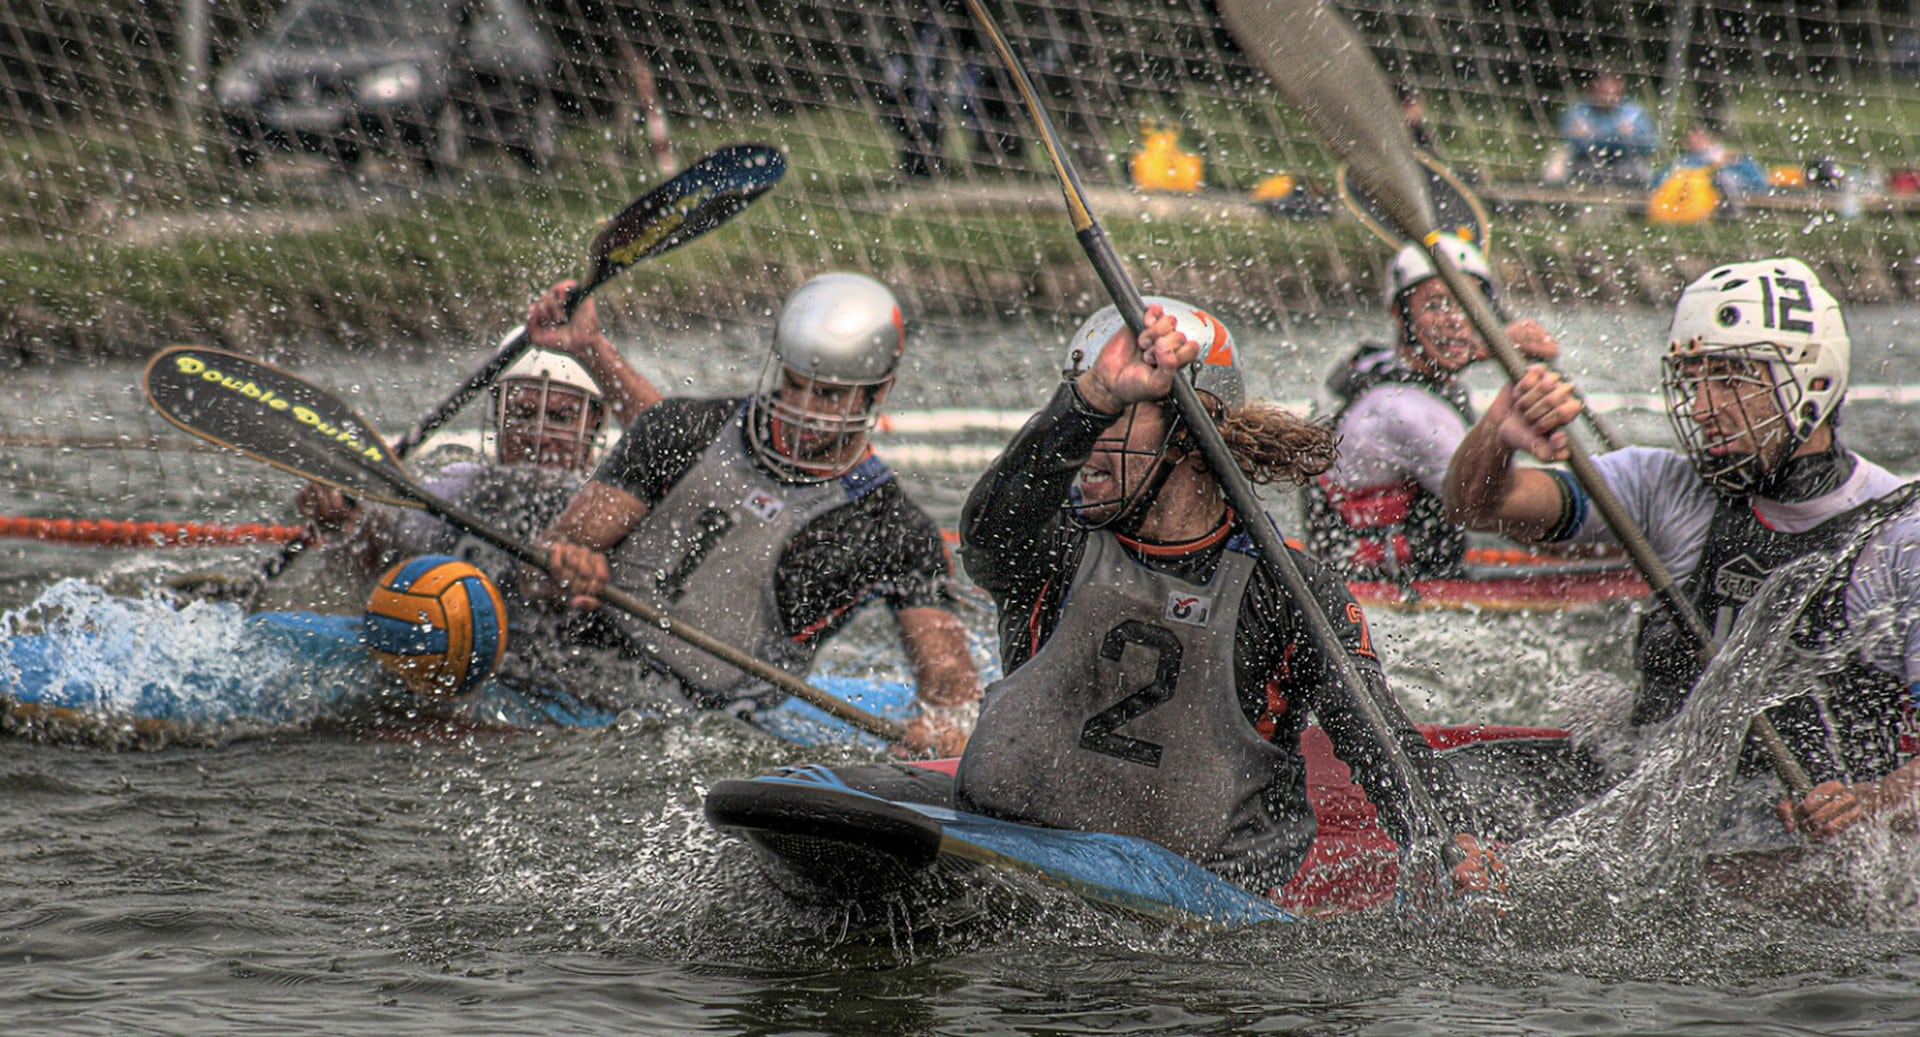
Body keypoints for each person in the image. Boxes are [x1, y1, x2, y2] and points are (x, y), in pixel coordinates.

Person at [953, 297, 1501, 899]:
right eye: (1091, 412)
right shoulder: (1051, 543)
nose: (1087, 444)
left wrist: (1453, 838)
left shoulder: (1290, 589)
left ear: (1192, 432)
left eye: (1117, 416)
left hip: (1201, 902)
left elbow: (1375, 735)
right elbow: (986, 539)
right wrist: (1089, 402)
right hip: (1020, 859)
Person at [1443, 258, 1920, 840]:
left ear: (1812, 383)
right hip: (1653, 801)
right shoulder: (1661, 485)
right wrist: (1496, 432)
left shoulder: (1902, 533)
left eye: (1731, 379)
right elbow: (1477, 507)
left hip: (1791, 835)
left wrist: (1871, 803)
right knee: (1455, 781)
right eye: (1693, 380)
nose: (1702, 408)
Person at [530, 272, 981, 757]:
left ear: (879, 391)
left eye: (827, 395)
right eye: (793, 384)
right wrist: (565, 566)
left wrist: (943, 729)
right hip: (584, 673)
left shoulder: (891, 530)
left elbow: (950, 682)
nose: (804, 410)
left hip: (712, 728)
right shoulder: (683, 429)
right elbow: (537, 576)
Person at [291, 281, 661, 607]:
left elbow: (671, 441)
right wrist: (348, 522)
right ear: (498, 417)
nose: (538, 434)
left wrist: (589, 346)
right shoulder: (462, 485)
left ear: (595, 422)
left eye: (561, 418)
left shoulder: (615, 497)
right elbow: (388, 561)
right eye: (524, 413)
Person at [1301, 238, 1560, 581]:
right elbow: (1504, 510)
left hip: (1346, 564)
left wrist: (1492, 349)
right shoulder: (1407, 412)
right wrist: (1603, 533)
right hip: (1392, 587)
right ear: (1399, 313)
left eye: (1469, 306)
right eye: (1436, 305)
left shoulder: (1369, 365)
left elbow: (1441, 355)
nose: (1455, 321)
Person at [1544, 72, 1659, 188]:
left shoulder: (1633, 111)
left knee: (1641, 169)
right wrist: (1620, 136)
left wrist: (1592, 135)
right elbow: (1572, 141)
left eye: (1612, 92)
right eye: (1603, 92)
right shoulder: (1578, 109)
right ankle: (1552, 196)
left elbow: (1649, 145)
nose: (1608, 97)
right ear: (1594, 88)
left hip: (1624, 162)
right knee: (1558, 159)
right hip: (1585, 160)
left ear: (1620, 88)